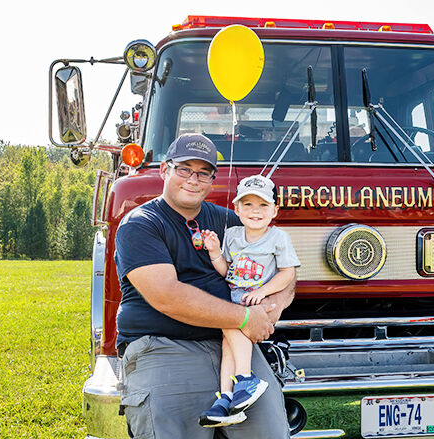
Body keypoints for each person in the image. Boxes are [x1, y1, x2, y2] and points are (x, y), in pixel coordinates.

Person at [114, 133, 294, 439]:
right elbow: (167, 296)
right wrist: (246, 318)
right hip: (164, 347)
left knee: (271, 433)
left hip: (235, 346)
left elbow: (285, 272)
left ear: (212, 179)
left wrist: (268, 309)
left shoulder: (231, 223)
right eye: (184, 169)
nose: (193, 180)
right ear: (164, 171)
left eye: (203, 173)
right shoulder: (140, 224)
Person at [198, 174, 299, 427]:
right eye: (248, 204)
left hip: (254, 303)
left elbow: (287, 273)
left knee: (230, 327)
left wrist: (263, 291)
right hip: (234, 297)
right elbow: (227, 271)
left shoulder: (278, 238)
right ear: (236, 208)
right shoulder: (232, 235)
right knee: (226, 344)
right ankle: (226, 399)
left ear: (275, 210)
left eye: (263, 205)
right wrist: (214, 252)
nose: (255, 211)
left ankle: (245, 378)